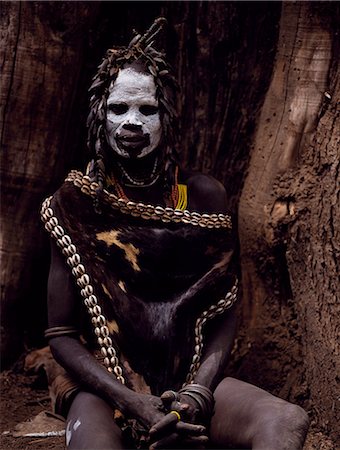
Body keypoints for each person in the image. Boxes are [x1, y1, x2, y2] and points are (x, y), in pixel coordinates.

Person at [41, 18, 309, 450]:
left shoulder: (203, 198)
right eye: (118, 109)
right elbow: (61, 335)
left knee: (286, 420)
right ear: (98, 115)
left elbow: (224, 310)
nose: (132, 123)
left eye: (147, 110)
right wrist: (132, 402)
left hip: (189, 384)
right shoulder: (74, 204)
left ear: (167, 118)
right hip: (107, 388)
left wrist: (198, 395)